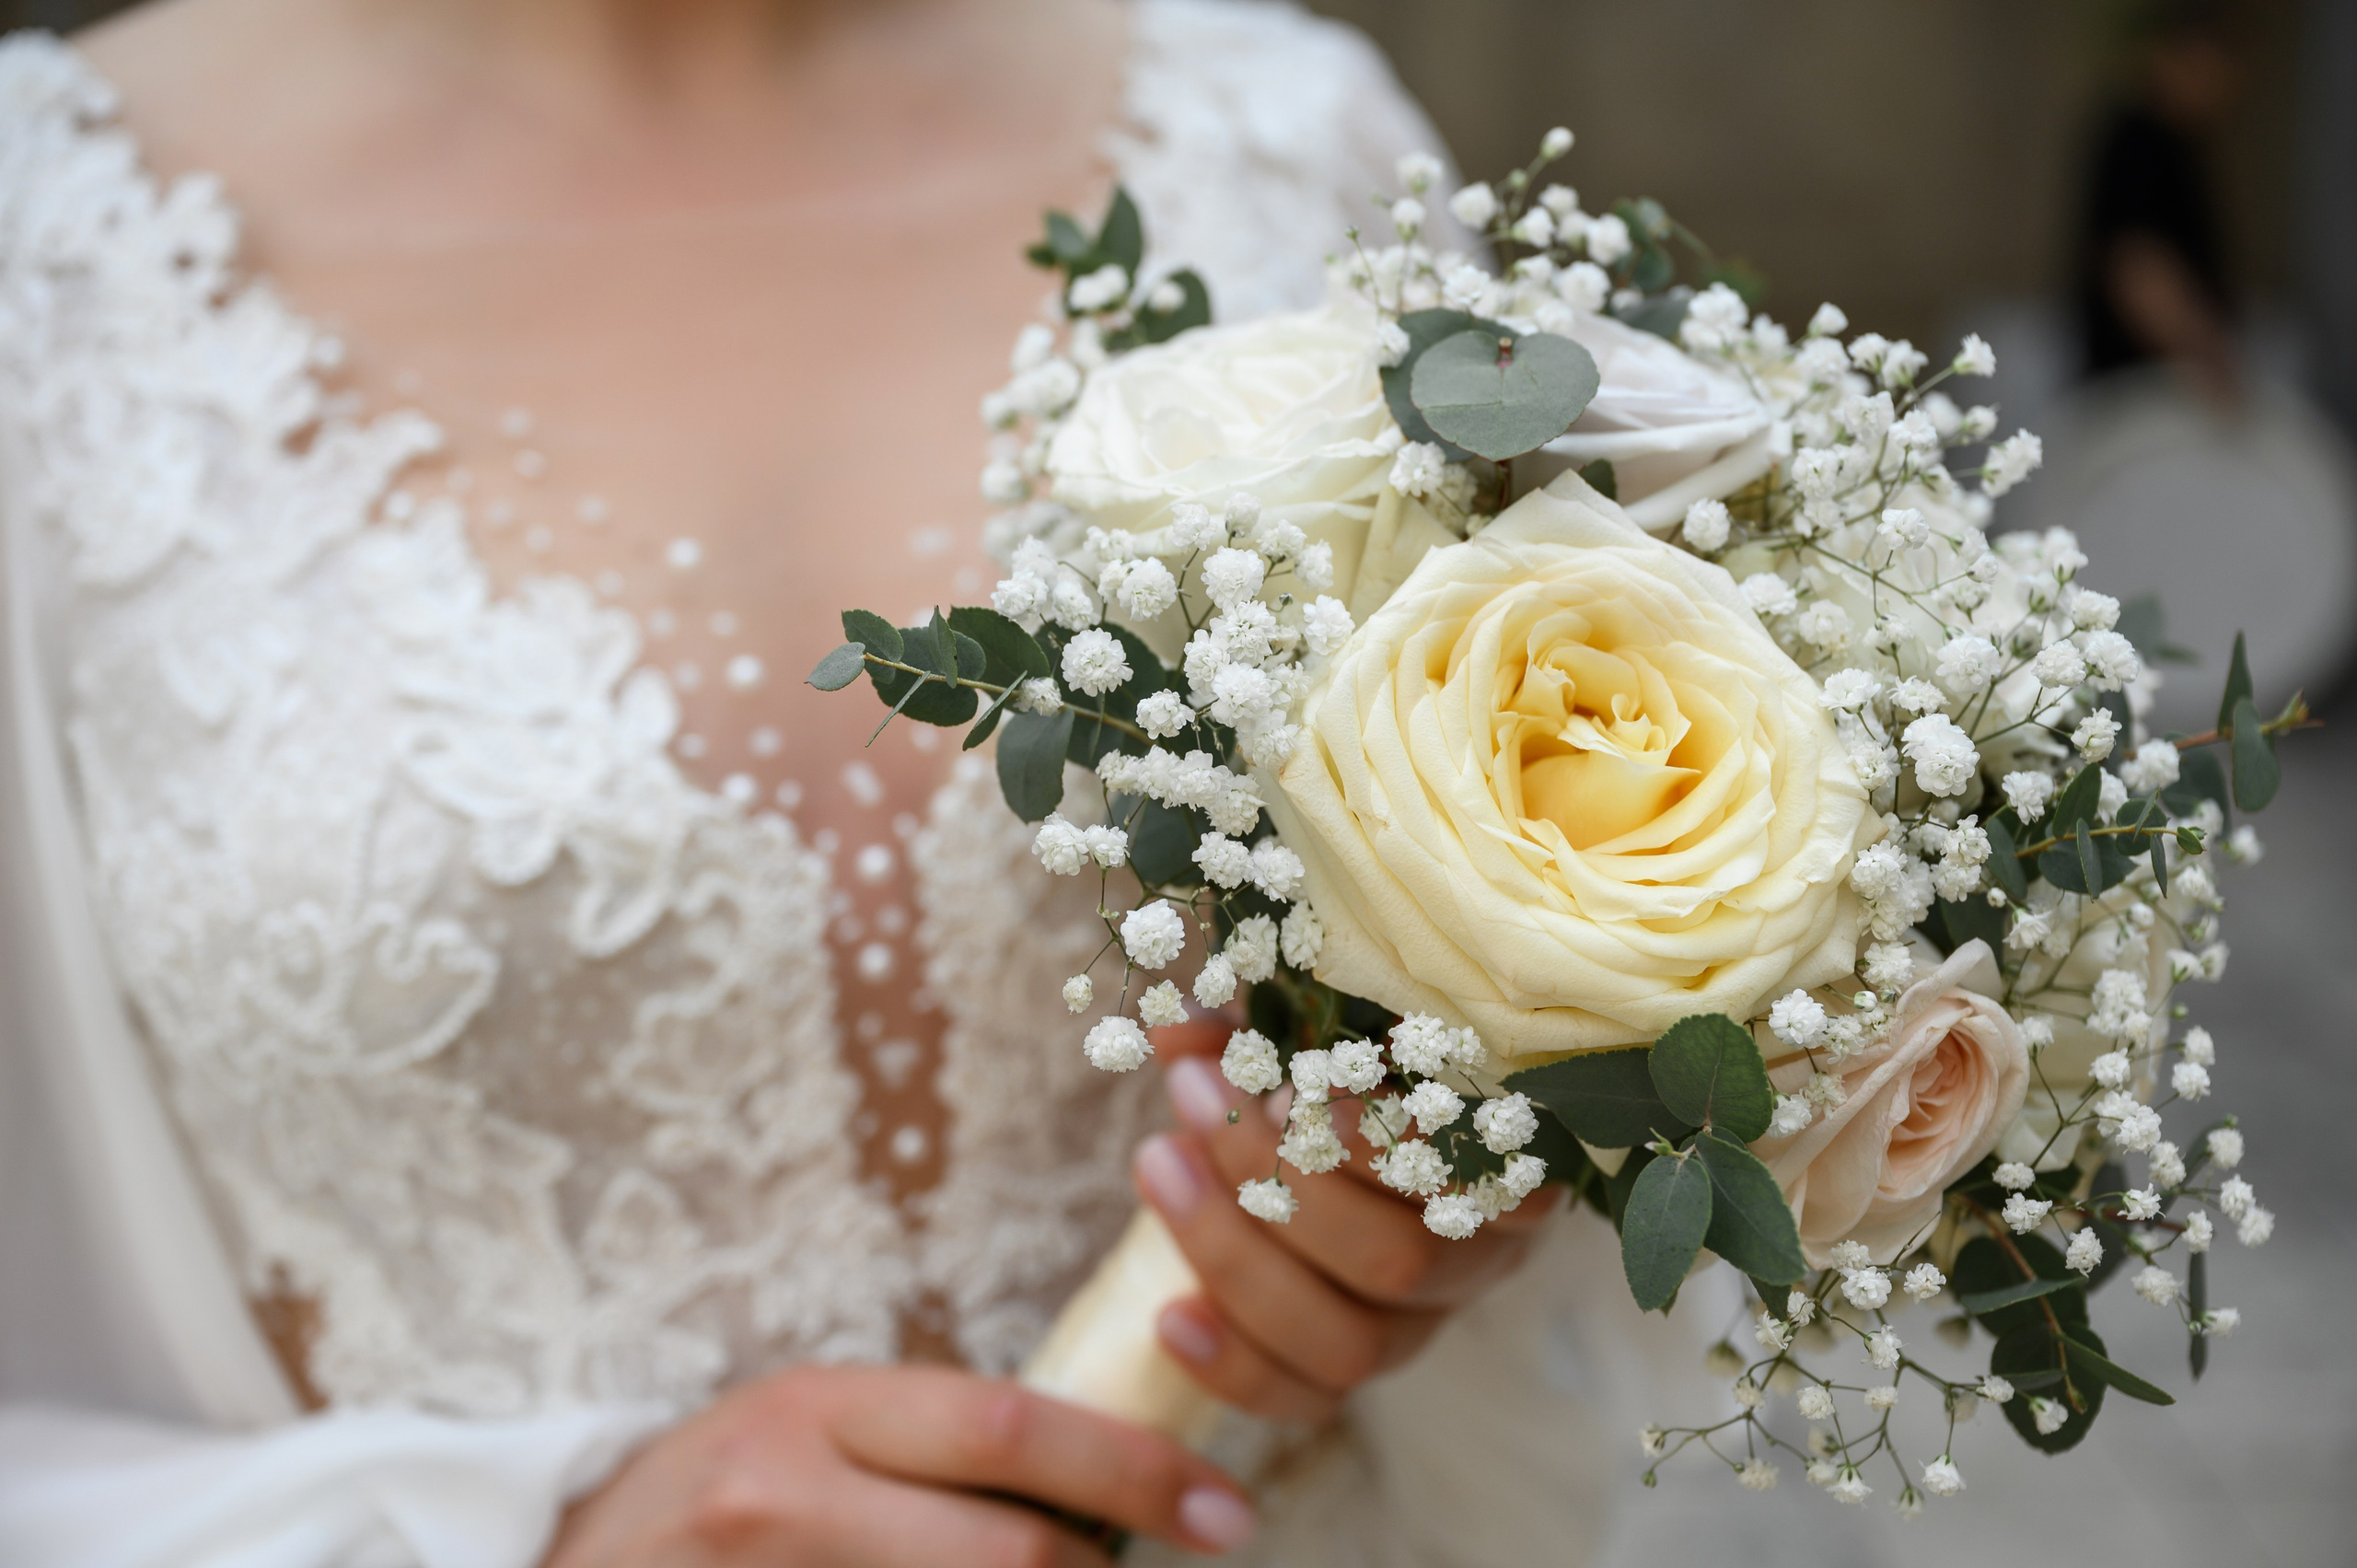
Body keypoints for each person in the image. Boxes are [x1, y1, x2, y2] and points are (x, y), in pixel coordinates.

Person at [0, 2, 1636, 1562]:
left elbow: (1568, 930)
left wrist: (1453, 1208)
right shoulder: (43, 242)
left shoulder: (1295, 146)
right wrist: (511, 1534)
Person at [2075, 0, 2246, 404]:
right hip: (2140, 387)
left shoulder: (2180, 146)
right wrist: (2212, 360)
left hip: (2163, 382)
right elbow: (2138, 268)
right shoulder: (2138, 141)